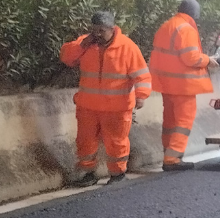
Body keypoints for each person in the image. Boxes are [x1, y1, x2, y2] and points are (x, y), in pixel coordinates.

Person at [60, 11, 151, 186]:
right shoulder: (86, 43)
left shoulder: (128, 47)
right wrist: (82, 45)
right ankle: (88, 173)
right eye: (94, 30)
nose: (97, 34)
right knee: (85, 141)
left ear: (112, 29)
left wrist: (141, 96)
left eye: (101, 30)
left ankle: (117, 174)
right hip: (88, 106)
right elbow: (66, 57)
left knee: (116, 143)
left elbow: (142, 75)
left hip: (116, 108)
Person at [149, 0, 214, 171]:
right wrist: (209, 60)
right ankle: (173, 158)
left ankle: (168, 153)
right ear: (195, 13)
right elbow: (191, 58)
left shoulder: (167, 25)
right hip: (182, 85)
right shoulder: (186, 29)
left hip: (166, 83)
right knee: (183, 121)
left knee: (170, 121)